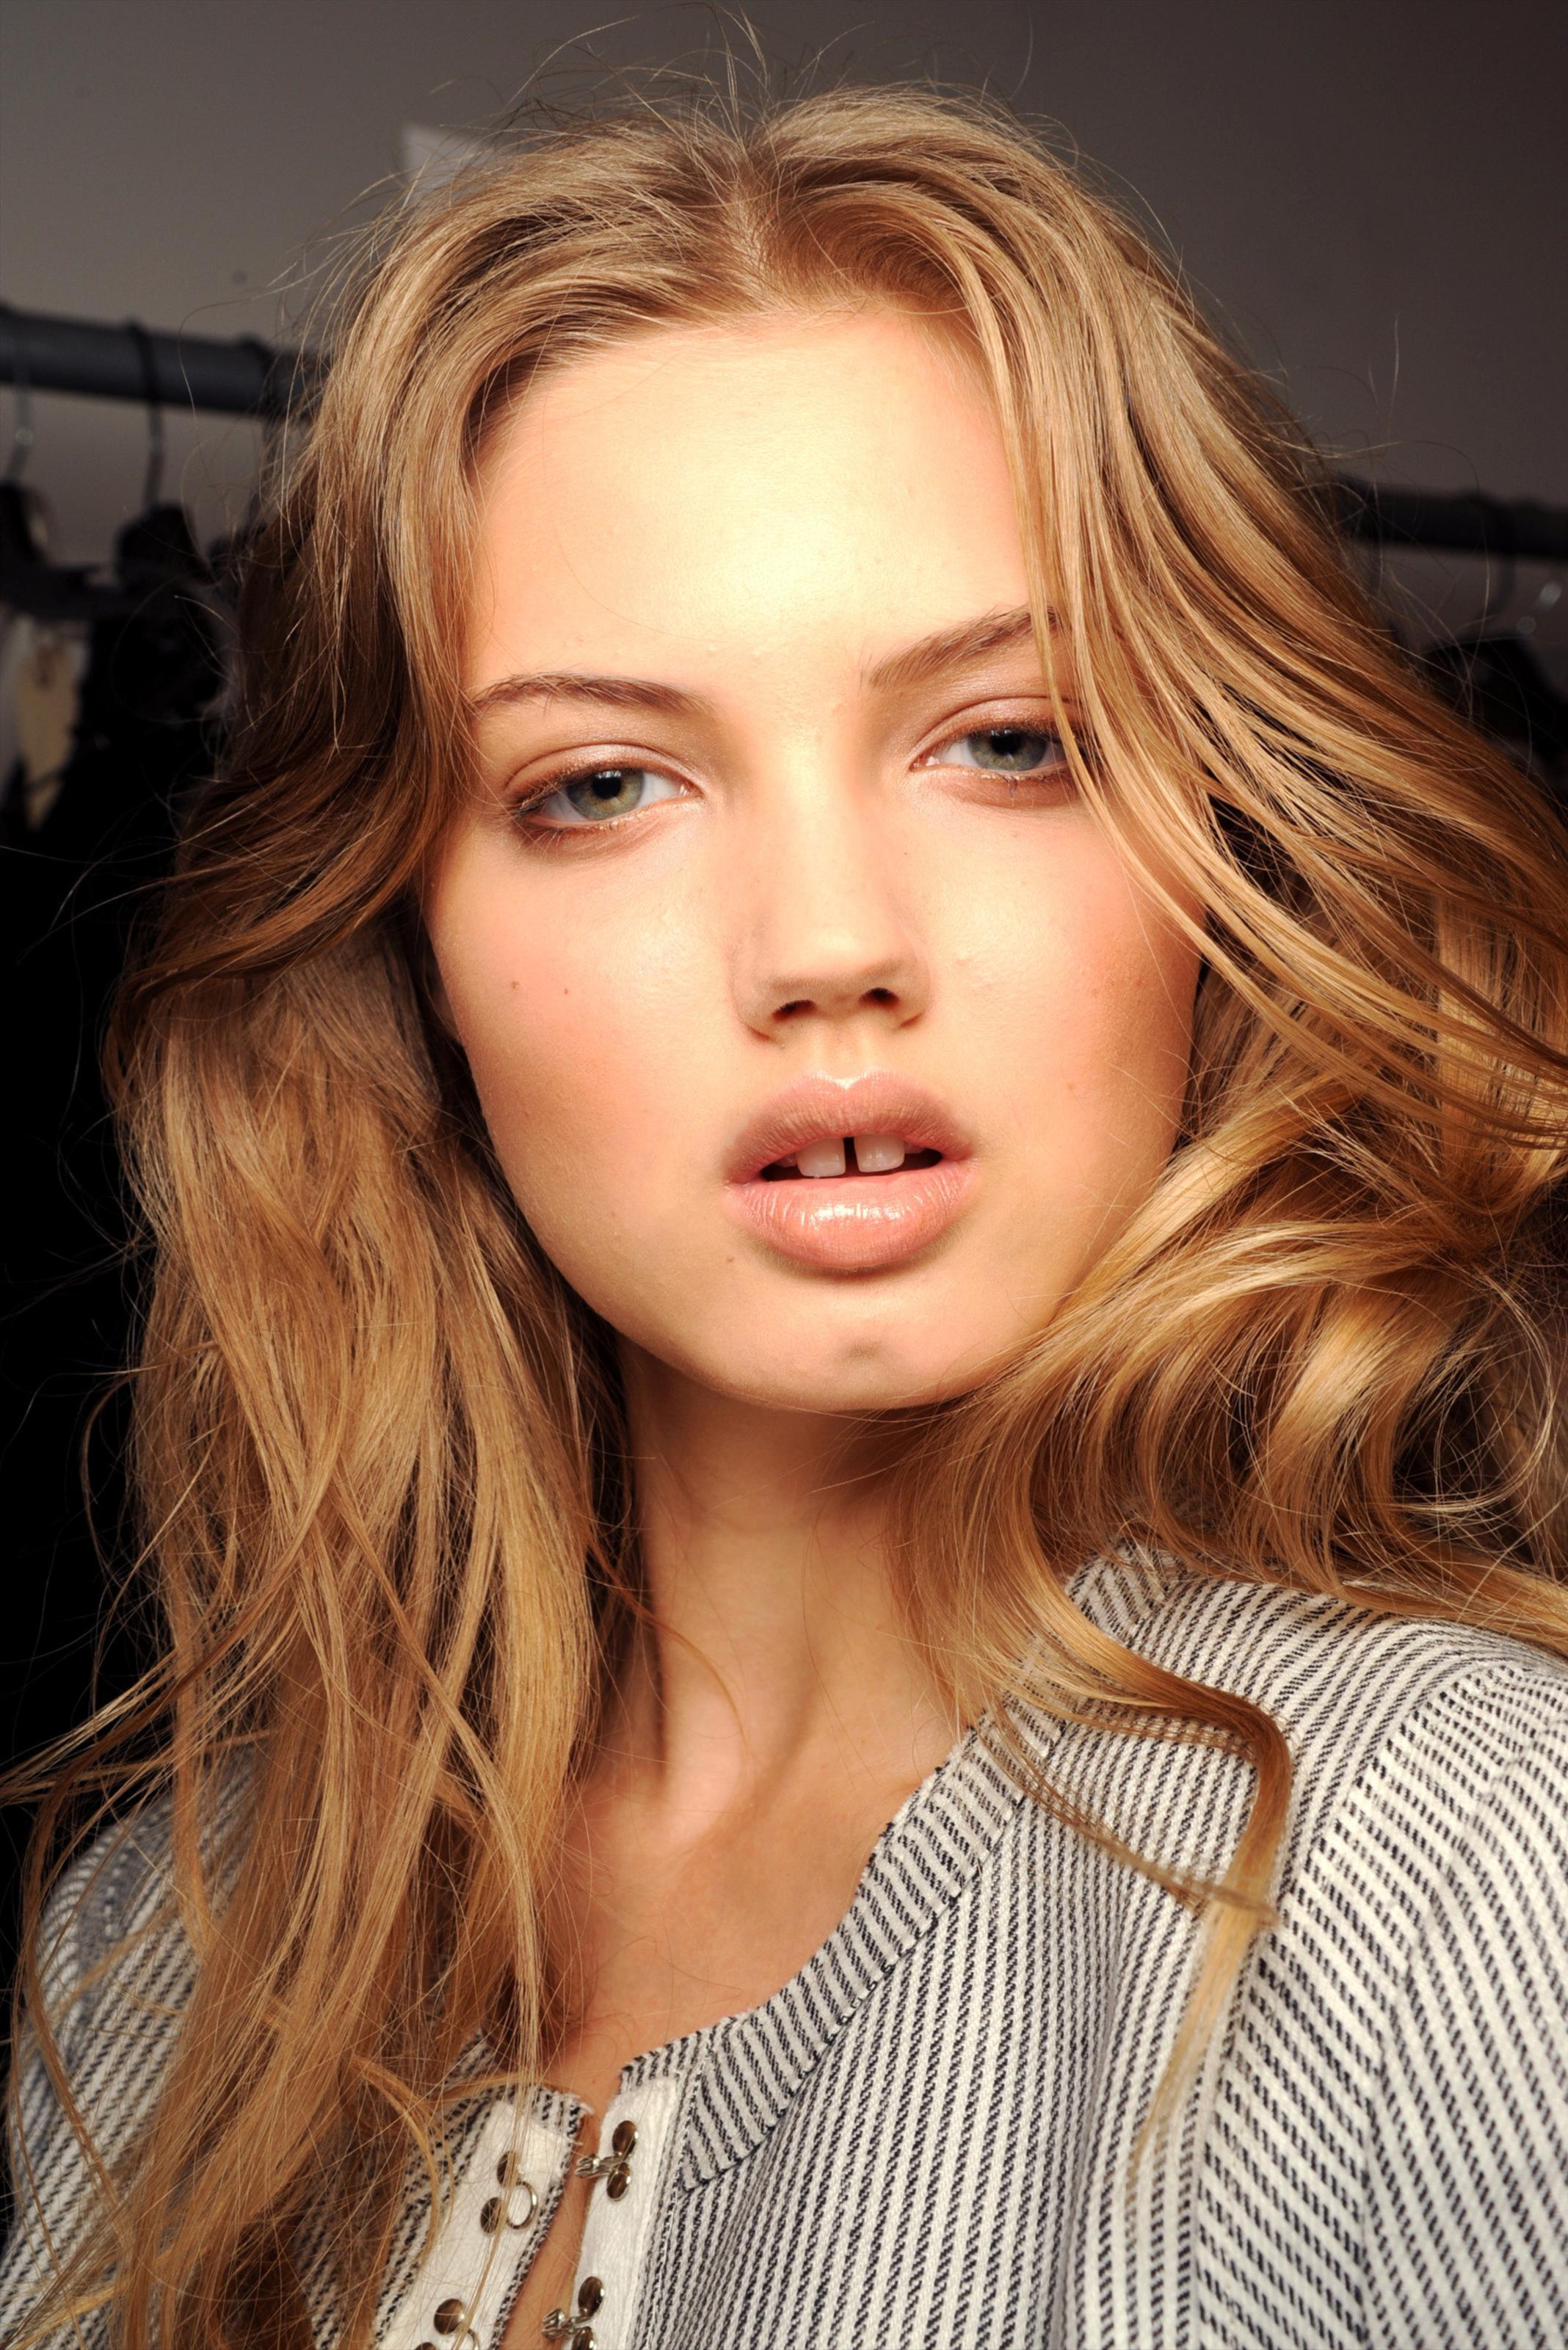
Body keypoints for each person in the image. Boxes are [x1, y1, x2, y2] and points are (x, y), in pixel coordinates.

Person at [4, 76, 1567, 2350]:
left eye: (1008, 739)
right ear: (412, 946)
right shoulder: (169, 1940)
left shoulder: (1468, 1883)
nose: (829, 943)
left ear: (1219, 857)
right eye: (604, 783)